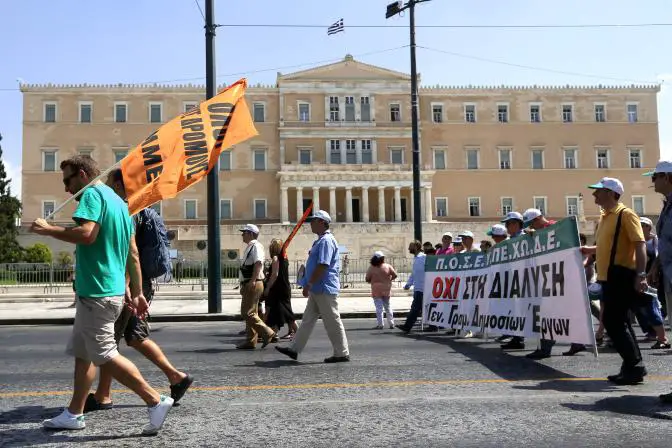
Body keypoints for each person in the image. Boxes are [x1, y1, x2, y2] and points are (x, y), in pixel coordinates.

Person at [31, 156, 173, 434]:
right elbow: (132, 253)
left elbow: (87, 234)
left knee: (105, 354)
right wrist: (136, 293)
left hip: (97, 290)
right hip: (110, 290)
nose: (66, 189)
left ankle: (155, 400)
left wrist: (48, 230)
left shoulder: (92, 194)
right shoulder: (121, 204)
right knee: (83, 354)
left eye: (68, 180)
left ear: (82, 175)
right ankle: (74, 413)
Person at [83, 169, 193, 414]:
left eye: (112, 184)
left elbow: (128, 253)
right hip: (137, 284)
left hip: (130, 285)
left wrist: (126, 289)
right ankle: (175, 377)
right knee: (132, 337)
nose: (108, 188)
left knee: (111, 342)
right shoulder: (137, 208)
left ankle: (106, 396)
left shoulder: (127, 209)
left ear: (121, 185)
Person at [581, 177, 648, 385]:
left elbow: (639, 244)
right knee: (619, 322)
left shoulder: (625, 214)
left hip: (621, 275)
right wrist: (590, 250)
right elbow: (606, 246)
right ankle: (632, 366)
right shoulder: (605, 217)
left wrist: (641, 275)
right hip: (608, 276)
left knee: (613, 322)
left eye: (599, 191)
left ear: (611, 193)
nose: (594, 194)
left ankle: (634, 366)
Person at [275, 211, 350, 363]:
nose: (310, 223)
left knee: (332, 321)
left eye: (313, 220)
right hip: (318, 288)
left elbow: (323, 265)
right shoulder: (320, 240)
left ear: (322, 222)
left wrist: (309, 284)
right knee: (308, 320)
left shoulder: (326, 241)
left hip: (324, 287)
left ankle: (342, 353)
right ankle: (294, 349)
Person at [645, 160, 672, 401]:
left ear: (667, 177)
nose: (652, 182)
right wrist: (655, 266)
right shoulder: (667, 205)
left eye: (655, 177)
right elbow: (665, 242)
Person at [522, 208, 558, 360]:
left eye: (531, 223)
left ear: (537, 219)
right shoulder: (535, 232)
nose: (531, 226)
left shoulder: (555, 227)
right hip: (545, 278)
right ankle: (545, 346)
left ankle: (545, 347)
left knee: (553, 314)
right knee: (546, 314)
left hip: (557, 277)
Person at [237, 224, 276, 350]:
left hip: (254, 282)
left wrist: (253, 280)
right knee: (251, 312)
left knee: (247, 312)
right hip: (250, 281)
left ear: (251, 234)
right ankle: (251, 340)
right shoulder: (251, 246)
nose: (242, 235)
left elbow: (258, 263)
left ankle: (267, 332)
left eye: (244, 232)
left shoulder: (256, 246)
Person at [499, 212, 527, 350]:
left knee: (522, 310)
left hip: (523, 279)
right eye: (506, 224)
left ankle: (520, 338)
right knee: (516, 310)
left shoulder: (524, 237)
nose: (507, 227)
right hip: (513, 278)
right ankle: (517, 337)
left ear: (516, 224)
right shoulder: (510, 240)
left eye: (509, 224)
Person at [264, 238, 298, 340]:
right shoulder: (284, 258)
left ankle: (297, 332)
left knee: (286, 312)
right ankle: (275, 332)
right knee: (285, 312)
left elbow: (275, 275)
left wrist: (268, 287)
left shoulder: (275, 258)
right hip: (284, 288)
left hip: (279, 289)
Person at [395, 240, 426, 334]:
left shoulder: (424, 257)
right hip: (418, 288)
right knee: (417, 308)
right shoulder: (417, 258)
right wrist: (408, 284)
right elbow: (414, 274)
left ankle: (407, 326)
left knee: (415, 308)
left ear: (416, 247)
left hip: (423, 288)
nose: (408, 248)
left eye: (410, 246)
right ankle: (433, 326)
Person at [366, 251, 398, 329]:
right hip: (386, 288)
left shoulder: (371, 268)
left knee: (379, 308)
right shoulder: (388, 266)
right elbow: (395, 275)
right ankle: (391, 323)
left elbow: (367, 278)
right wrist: (389, 279)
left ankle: (380, 324)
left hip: (376, 289)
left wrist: (372, 281)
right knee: (388, 306)